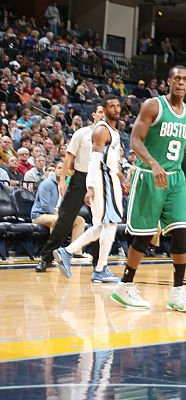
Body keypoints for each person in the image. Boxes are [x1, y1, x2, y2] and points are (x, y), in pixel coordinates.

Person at [111, 66, 186, 313]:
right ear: (168, 81)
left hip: (176, 179)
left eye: (185, 79)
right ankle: (125, 285)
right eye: (177, 78)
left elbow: (181, 153)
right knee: (144, 236)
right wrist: (154, 163)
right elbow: (135, 141)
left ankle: (178, 292)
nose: (181, 82)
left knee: (181, 233)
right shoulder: (153, 106)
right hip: (149, 176)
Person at [53, 96, 124, 283]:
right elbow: (94, 161)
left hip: (110, 180)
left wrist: (123, 179)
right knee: (109, 224)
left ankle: (70, 253)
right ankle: (99, 268)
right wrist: (91, 188)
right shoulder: (101, 130)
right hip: (102, 182)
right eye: (111, 106)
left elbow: (112, 162)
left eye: (118, 106)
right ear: (104, 110)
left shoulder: (114, 131)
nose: (116, 109)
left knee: (103, 226)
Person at [35, 105, 106, 273]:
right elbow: (69, 156)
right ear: (94, 114)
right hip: (80, 177)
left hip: (99, 179)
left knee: (100, 221)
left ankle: (99, 263)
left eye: (106, 112)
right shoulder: (81, 133)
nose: (103, 115)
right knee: (64, 220)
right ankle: (46, 258)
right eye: (100, 111)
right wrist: (62, 179)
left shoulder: (111, 136)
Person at [31, 161, 85, 244]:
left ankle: (75, 251)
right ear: (55, 170)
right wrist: (60, 215)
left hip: (59, 214)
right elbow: (45, 206)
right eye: (59, 168)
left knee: (80, 220)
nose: (61, 170)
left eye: (64, 169)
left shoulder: (67, 185)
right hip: (40, 215)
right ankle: (54, 249)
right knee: (57, 220)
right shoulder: (46, 183)